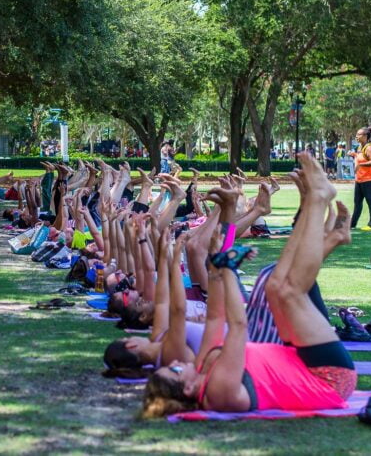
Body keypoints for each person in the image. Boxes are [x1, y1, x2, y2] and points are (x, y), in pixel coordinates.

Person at [141, 152, 355, 417]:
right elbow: (238, 326)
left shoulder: (201, 367)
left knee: (276, 286)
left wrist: (219, 265)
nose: (174, 362)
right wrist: (227, 271)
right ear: (185, 390)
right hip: (329, 379)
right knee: (288, 291)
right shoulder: (218, 392)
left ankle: (314, 200)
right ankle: (317, 200)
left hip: (300, 360)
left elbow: (216, 316)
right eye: (173, 370)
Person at [350, 126, 371, 231]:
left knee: (370, 201)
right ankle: (352, 224)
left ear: (365, 136)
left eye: (359, 134)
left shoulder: (369, 147)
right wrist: (354, 155)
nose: (356, 136)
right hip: (360, 179)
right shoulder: (360, 147)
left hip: (369, 179)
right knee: (357, 202)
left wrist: (361, 165)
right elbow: (361, 157)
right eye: (356, 134)